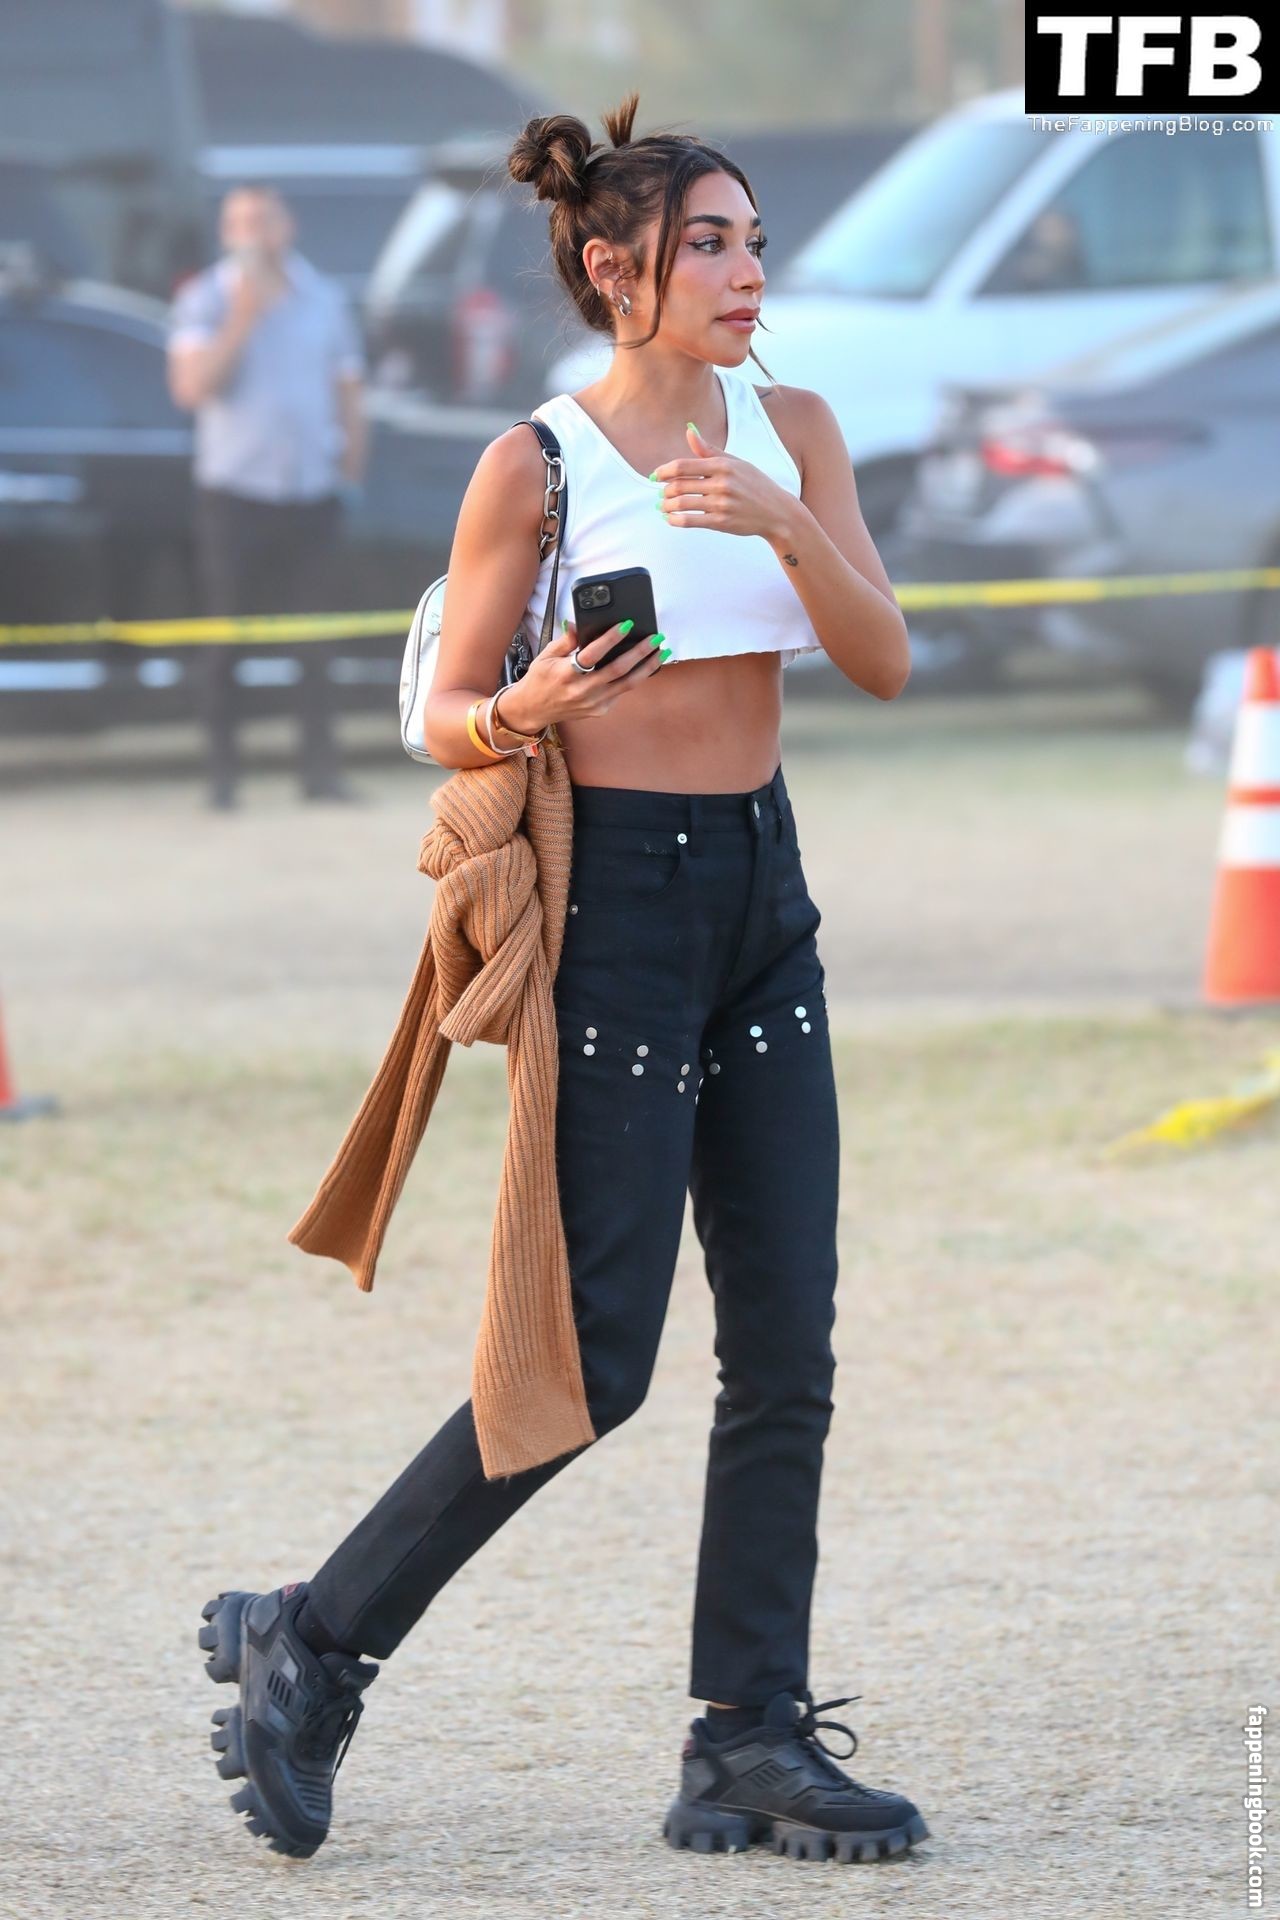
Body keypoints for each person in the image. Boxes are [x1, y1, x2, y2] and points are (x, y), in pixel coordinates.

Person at [197, 93, 927, 1868]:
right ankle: (314, 1637)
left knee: (789, 1345)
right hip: (619, 912)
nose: (747, 272)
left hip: (763, 895)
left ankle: (745, 1739)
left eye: (753, 243)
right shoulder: (535, 461)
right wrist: (519, 707)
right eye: (708, 245)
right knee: (593, 1359)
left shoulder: (795, 430)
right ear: (614, 272)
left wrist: (783, 520)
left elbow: (885, 659)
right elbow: (446, 705)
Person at [166, 183, 368, 810]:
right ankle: (224, 778)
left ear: (287, 226)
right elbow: (192, 388)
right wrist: (242, 316)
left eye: (264, 220)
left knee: (317, 641)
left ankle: (319, 773)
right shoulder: (204, 299)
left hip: (311, 493)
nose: (254, 232)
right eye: (241, 222)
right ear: (227, 233)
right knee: (226, 639)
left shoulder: (324, 299)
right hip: (235, 495)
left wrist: (351, 468)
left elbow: (349, 389)